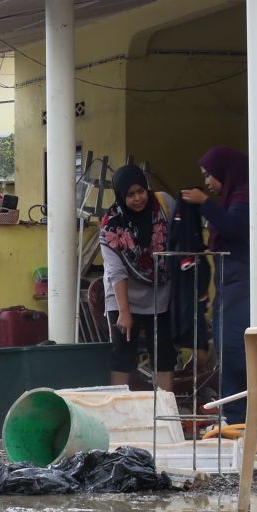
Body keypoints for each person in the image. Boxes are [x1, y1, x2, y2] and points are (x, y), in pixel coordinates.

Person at [181, 147, 249, 424]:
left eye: (210, 175)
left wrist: (205, 203)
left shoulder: (243, 196)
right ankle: (234, 415)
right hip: (228, 285)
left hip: (241, 285)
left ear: (225, 171)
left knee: (235, 349)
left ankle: (241, 415)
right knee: (225, 347)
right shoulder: (232, 197)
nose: (208, 182)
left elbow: (235, 228)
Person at [99, 164, 176, 391]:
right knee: (124, 352)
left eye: (141, 191)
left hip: (160, 292)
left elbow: (180, 238)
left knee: (163, 352)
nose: (138, 198)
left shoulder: (163, 205)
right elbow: (116, 271)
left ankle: (165, 409)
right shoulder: (111, 227)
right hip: (123, 295)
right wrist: (124, 312)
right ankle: (118, 407)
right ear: (122, 196)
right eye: (130, 195)